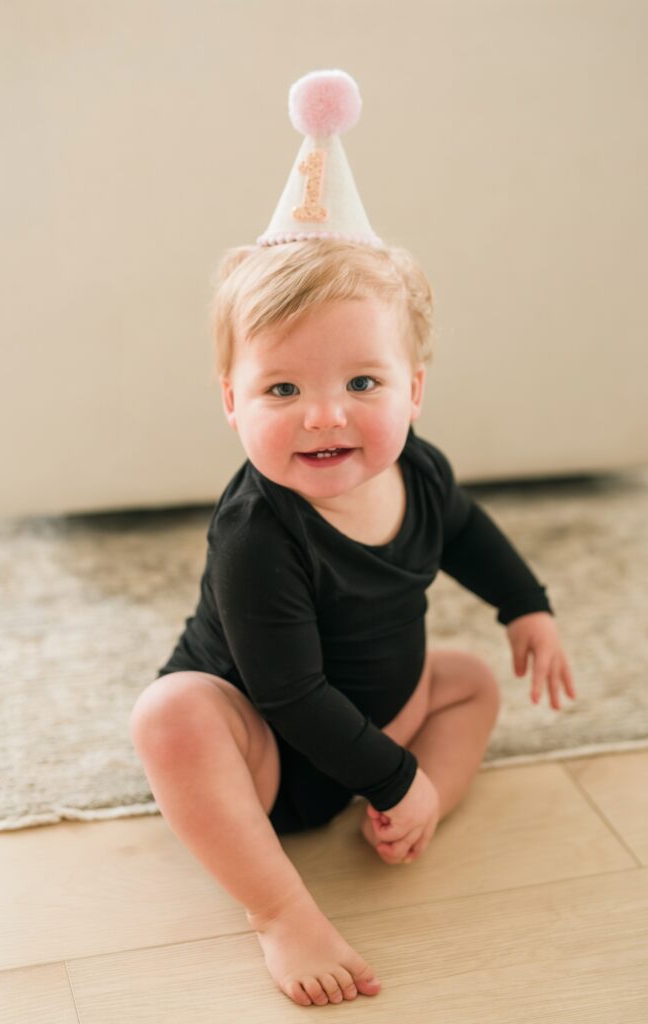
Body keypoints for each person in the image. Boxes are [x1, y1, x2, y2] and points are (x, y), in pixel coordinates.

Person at [129, 70, 576, 1008]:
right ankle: (280, 909)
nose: (324, 414)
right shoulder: (257, 533)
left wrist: (525, 605)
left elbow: (465, 531)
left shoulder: (421, 470)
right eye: (282, 389)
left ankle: (414, 814)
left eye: (363, 384)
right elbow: (288, 692)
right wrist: (392, 770)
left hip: (382, 722)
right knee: (170, 717)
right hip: (268, 754)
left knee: (470, 682)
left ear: (414, 390)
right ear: (232, 402)